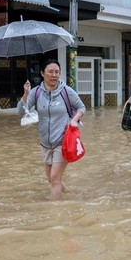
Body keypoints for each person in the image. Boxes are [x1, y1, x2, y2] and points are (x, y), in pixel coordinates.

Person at [19, 59, 85, 200]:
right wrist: (25, 95)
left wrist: (74, 120)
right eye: (50, 72)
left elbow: (81, 107)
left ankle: (56, 213)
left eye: (57, 72)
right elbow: (20, 112)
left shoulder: (66, 91)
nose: (54, 75)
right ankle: (71, 196)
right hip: (45, 142)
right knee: (51, 178)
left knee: (54, 178)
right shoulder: (36, 92)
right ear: (42, 73)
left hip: (63, 141)